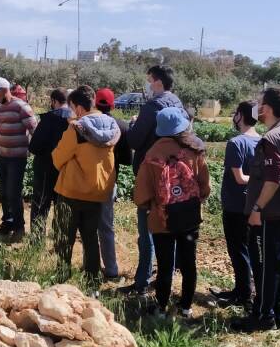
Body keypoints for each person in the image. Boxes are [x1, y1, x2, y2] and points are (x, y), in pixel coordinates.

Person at [232, 87, 280, 332]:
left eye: (260, 104)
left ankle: (262, 316)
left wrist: (257, 208)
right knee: (279, 265)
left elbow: (274, 178)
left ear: (268, 108)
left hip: (270, 214)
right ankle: (278, 312)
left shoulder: (272, 139)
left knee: (264, 267)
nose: (256, 108)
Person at [133, 107, 210, 317]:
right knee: (189, 262)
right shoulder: (194, 149)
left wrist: (152, 206)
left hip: (162, 219)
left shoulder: (152, 154)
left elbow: (141, 194)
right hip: (190, 217)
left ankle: (161, 307)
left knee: (165, 264)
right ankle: (186, 307)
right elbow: (205, 186)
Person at [126, 65, 189, 295]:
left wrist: (133, 124)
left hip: (152, 176)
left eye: (149, 80)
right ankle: (165, 279)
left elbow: (134, 140)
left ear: (158, 83)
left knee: (148, 232)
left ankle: (142, 282)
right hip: (175, 177)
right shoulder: (178, 104)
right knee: (168, 229)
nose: (148, 85)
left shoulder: (152, 107)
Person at [52, 86, 120, 293]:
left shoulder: (77, 129)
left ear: (79, 108)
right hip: (97, 192)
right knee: (91, 239)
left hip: (72, 191)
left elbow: (58, 158)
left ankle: (62, 280)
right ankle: (92, 285)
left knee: (64, 238)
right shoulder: (112, 126)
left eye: (72, 107)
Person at [212, 101, 260, 309]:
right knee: (248, 249)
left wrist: (254, 178)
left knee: (238, 250)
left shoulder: (236, 143)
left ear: (240, 115)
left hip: (235, 204)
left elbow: (239, 178)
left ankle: (243, 294)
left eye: (235, 113)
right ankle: (243, 290)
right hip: (254, 204)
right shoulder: (262, 141)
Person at [0, 77, 38, 241]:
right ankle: (8, 223)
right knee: (4, 193)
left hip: (17, 158)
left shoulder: (21, 106)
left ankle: (19, 227)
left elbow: (34, 130)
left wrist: (34, 150)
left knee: (13, 193)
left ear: (4, 90)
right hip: (2, 157)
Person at [94, 87, 131, 281]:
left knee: (87, 226)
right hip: (109, 181)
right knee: (106, 226)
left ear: (94, 103)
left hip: (87, 180)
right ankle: (111, 269)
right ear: (113, 105)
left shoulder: (86, 123)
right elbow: (128, 160)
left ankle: (90, 266)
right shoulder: (122, 126)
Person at [28, 88, 71, 235]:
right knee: (63, 205)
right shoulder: (75, 119)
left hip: (45, 168)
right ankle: (61, 239)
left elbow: (34, 146)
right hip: (66, 169)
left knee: (40, 204)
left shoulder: (49, 119)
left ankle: (37, 239)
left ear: (54, 101)